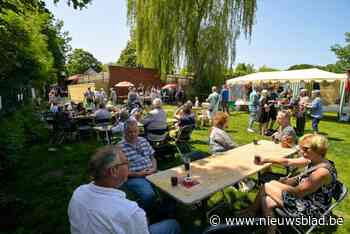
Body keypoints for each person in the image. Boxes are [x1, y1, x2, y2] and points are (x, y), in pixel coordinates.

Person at [68, 145, 181, 234]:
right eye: (126, 163)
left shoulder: (78, 192)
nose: (129, 166)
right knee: (172, 224)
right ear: (113, 171)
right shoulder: (129, 211)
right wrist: (141, 221)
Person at [247, 134, 337, 234]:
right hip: (305, 201)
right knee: (267, 200)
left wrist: (275, 183)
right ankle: (271, 231)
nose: (302, 152)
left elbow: (297, 193)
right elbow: (287, 161)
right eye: (301, 148)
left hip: (313, 212)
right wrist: (265, 159)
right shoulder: (314, 160)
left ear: (319, 150)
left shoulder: (322, 172)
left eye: (306, 149)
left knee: (267, 186)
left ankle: (251, 212)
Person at [119, 119, 158, 213]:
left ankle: (164, 207)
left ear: (138, 131)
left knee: (170, 185)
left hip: (151, 172)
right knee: (149, 195)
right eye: (130, 132)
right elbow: (121, 171)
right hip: (134, 177)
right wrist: (139, 174)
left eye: (135, 131)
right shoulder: (119, 147)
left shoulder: (143, 140)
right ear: (124, 132)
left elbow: (153, 157)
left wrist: (154, 168)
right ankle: (145, 214)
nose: (133, 134)